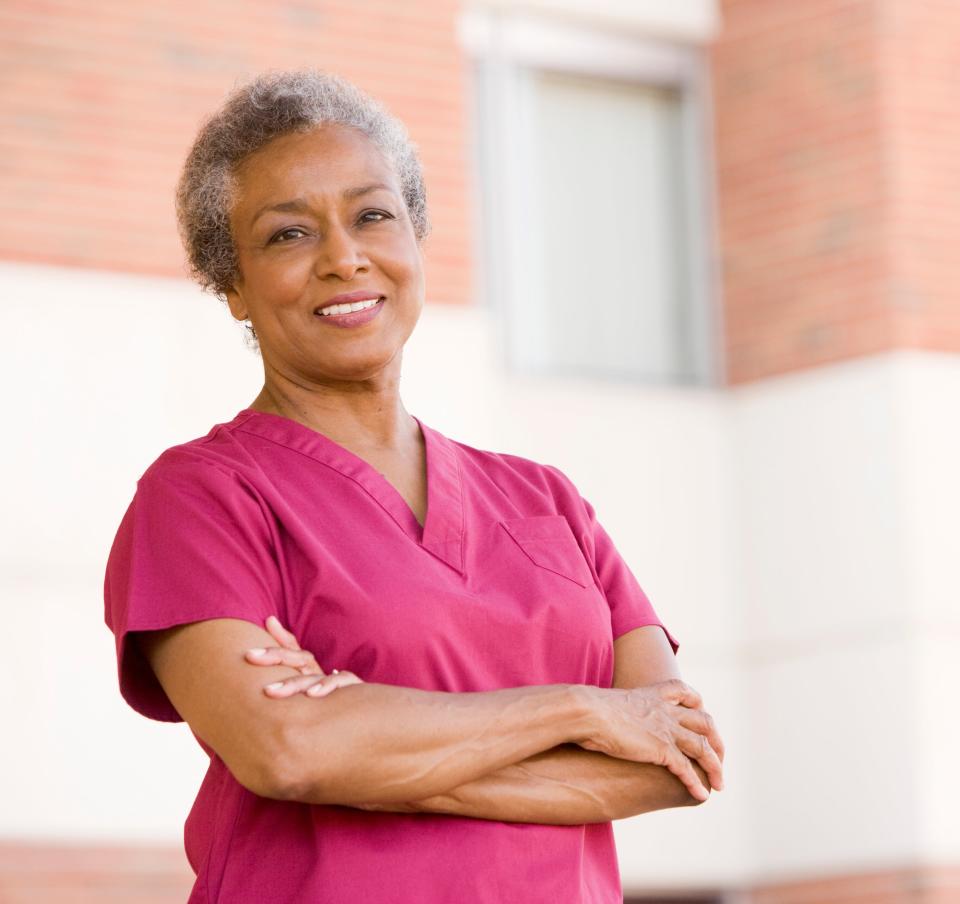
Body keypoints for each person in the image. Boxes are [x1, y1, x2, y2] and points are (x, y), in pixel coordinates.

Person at [103, 68, 725, 904]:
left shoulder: (545, 501)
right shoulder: (203, 497)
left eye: (372, 215)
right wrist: (579, 712)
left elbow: (676, 761)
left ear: (415, 237)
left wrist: (367, 747)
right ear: (233, 288)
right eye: (289, 235)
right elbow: (286, 751)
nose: (344, 257)